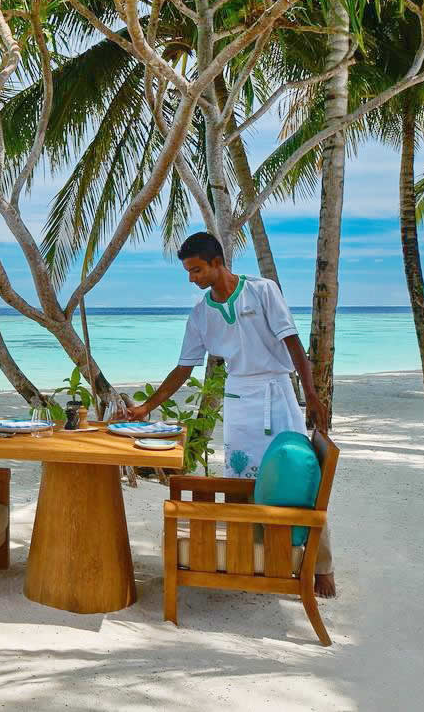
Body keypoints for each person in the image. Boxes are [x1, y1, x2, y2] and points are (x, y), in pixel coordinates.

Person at [124, 231, 336, 598]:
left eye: (196, 270)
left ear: (217, 263)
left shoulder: (263, 291)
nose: (192, 278)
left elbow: (292, 342)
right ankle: (250, 559)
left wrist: (312, 396)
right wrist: (147, 406)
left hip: (277, 392)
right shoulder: (201, 315)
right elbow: (183, 369)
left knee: (300, 475)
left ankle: (320, 568)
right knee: (240, 480)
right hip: (238, 399)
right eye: (188, 272)